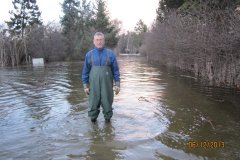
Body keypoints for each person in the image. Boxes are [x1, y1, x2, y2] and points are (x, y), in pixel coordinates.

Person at [82, 32, 120, 123]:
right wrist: (85, 86)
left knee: (107, 106)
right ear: (94, 41)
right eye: (97, 40)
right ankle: (93, 126)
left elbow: (116, 71)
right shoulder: (89, 55)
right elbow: (85, 72)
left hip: (107, 86)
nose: (99, 42)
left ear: (104, 41)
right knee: (93, 106)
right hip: (93, 87)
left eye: (101, 40)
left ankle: (108, 126)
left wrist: (117, 84)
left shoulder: (111, 54)